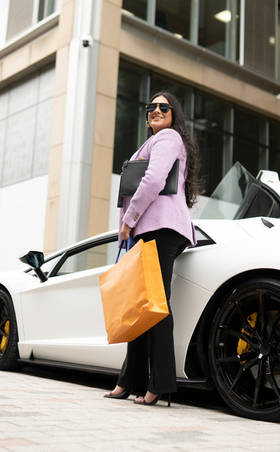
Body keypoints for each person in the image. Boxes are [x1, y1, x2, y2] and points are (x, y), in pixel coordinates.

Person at [105, 91, 203, 406]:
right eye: (152, 107)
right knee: (140, 307)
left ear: (174, 114)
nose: (157, 110)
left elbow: (152, 181)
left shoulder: (169, 138)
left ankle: (160, 383)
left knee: (156, 305)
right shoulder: (153, 142)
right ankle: (129, 380)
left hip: (159, 229)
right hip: (149, 231)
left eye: (165, 107)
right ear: (147, 115)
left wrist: (127, 221)